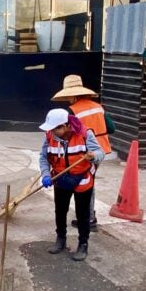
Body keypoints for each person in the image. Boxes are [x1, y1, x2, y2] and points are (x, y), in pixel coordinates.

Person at [39, 108, 105, 261]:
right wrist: (46, 174)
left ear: (66, 125)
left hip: (82, 180)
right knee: (60, 211)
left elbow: (100, 154)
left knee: (83, 214)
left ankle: (83, 244)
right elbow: (44, 157)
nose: (53, 132)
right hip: (60, 179)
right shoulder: (50, 137)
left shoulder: (85, 134)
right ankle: (60, 239)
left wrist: (93, 156)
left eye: (56, 128)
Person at [52, 74, 112, 232]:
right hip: (101, 149)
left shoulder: (72, 110)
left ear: (72, 95)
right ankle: (89, 215)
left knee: (85, 183)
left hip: (85, 152)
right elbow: (111, 128)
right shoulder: (98, 106)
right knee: (89, 180)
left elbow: (68, 133)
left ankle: (89, 218)